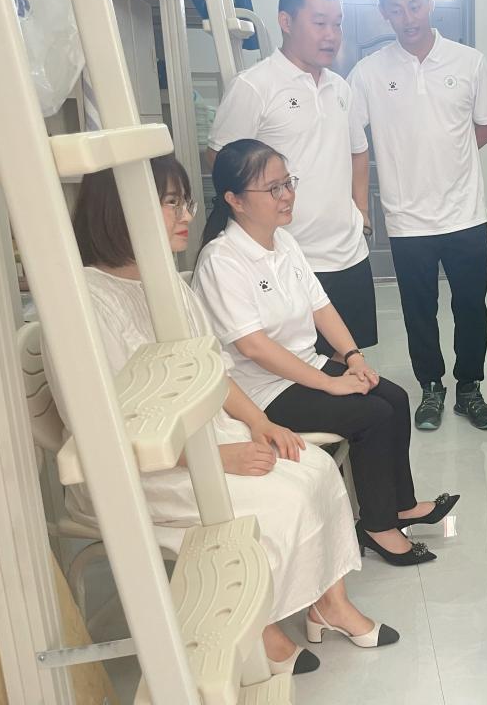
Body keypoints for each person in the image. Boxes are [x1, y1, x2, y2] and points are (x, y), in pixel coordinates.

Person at [60, 156, 399, 677]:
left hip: (208, 435)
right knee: (276, 500)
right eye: (171, 203)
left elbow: (213, 371)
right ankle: (259, 629)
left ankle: (329, 604)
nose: (187, 215)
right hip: (141, 467)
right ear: (120, 208)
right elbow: (104, 430)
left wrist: (260, 424)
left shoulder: (167, 283)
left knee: (314, 467)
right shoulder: (84, 304)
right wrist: (218, 457)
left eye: (185, 202)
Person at [193, 139, 459, 568]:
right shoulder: (221, 260)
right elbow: (253, 346)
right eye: (273, 189)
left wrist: (353, 357)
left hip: (307, 369)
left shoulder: (284, 243)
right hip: (263, 391)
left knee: (394, 397)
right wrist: (330, 383)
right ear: (234, 200)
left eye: (288, 183)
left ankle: (400, 505)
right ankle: (377, 526)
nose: (287, 196)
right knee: (372, 415)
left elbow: (321, 307)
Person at [348, 0, 487, 432]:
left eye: (415, 5)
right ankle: (431, 387)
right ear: (383, 12)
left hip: (465, 214)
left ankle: (469, 388)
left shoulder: (470, 62)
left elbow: (486, 126)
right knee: (418, 312)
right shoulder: (368, 73)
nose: (408, 17)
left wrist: (448, 157)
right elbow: (353, 141)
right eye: (396, 10)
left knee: (471, 309)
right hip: (407, 219)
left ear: (430, 3)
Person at [207, 0, 377, 357]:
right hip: (288, 255)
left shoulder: (341, 88)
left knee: (349, 359)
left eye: (337, 24)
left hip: (348, 252)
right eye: (319, 23)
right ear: (286, 21)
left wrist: (362, 212)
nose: (331, 35)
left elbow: (358, 151)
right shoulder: (255, 86)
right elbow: (221, 160)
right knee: (302, 366)